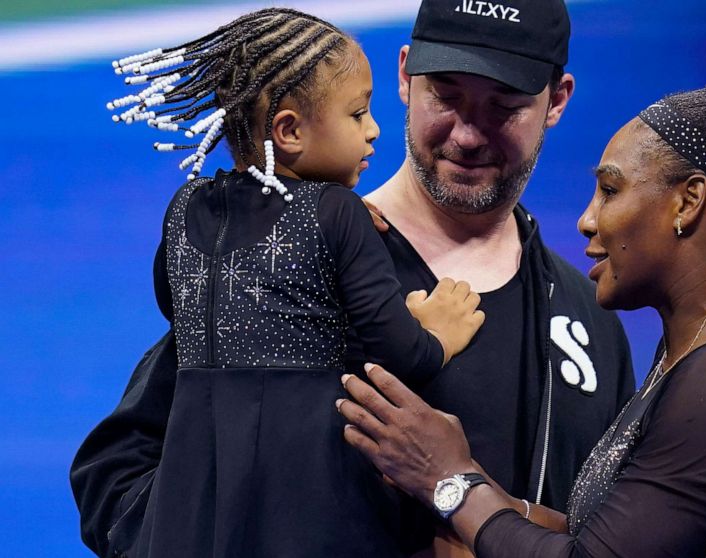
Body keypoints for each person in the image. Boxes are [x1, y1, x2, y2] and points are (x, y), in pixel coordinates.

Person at [337, 78, 706, 557]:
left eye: (610, 190)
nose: (587, 220)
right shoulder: (697, 356)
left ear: (688, 201)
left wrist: (450, 478)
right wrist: (462, 495)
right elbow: (599, 538)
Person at [71, 8, 485, 557]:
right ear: (289, 131)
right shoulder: (338, 213)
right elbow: (398, 356)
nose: (374, 129)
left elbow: (175, 307)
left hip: (190, 513)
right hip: (312, 508)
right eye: (358, 112)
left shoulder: (185, 206)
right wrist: (435, 336)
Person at [349, 0, 635, 553]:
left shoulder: (589, 317)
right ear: (405, 76)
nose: (467, 135)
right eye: (447, 97)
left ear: (557, 101)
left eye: (503, 107)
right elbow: (144, 470)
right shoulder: (295, 265)